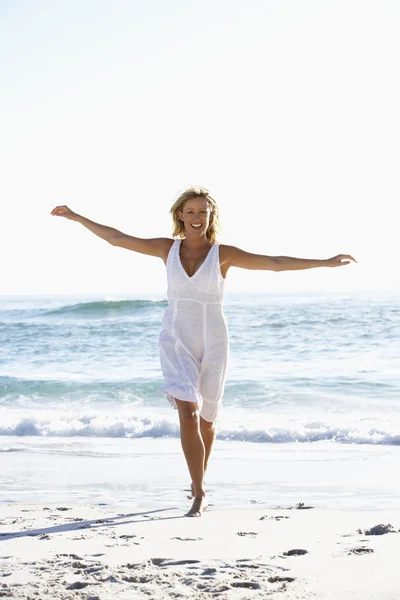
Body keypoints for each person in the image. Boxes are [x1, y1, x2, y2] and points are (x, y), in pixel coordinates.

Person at [51, 186, 356, 517]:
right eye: (191, 211)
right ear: (180, 215)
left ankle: (199, 481)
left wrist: (324, 263)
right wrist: (76, 216)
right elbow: (116, 238)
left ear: (211, 217)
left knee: (208, 420)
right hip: (175, 340)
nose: (197, 217)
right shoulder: (166, 250)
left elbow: (275, 263)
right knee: (188, 412)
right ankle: (199, 493)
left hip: (214, 342)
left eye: (203, 212)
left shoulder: (222, 254)